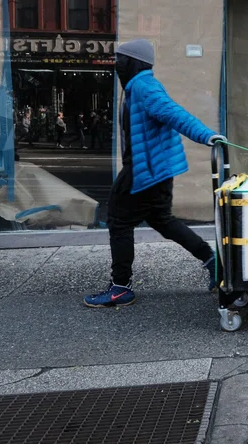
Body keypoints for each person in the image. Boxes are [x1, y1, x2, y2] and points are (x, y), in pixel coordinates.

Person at [84, 39, 226, 308]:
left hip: (144, 171)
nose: (116, 66)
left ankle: (120, 288)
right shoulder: (138, 86)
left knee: (119, 221)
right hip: (155, 170)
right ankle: (213, 263)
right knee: (162, 220)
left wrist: (207, 135)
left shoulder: (143, 86)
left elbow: (174, 113)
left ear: (132, 63)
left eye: (120, 60)